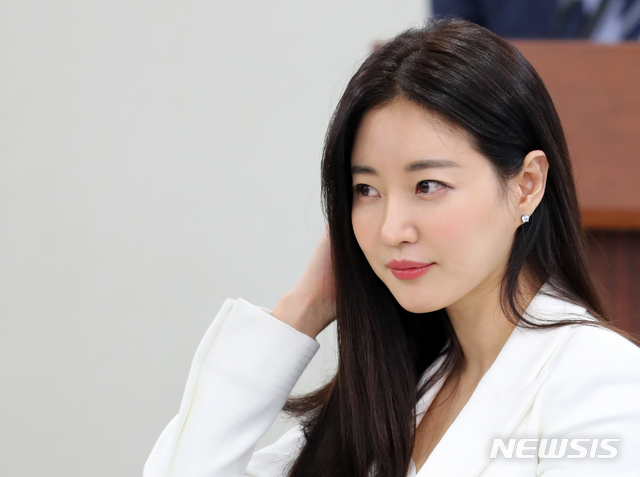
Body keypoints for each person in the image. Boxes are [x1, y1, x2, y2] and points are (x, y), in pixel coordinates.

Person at [143, 18, 640, 477]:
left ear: (527, 184)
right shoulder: (393, 390)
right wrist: (303, 308)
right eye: (367, 190)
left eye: (428, 185)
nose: (391, 229)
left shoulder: (598, 380)